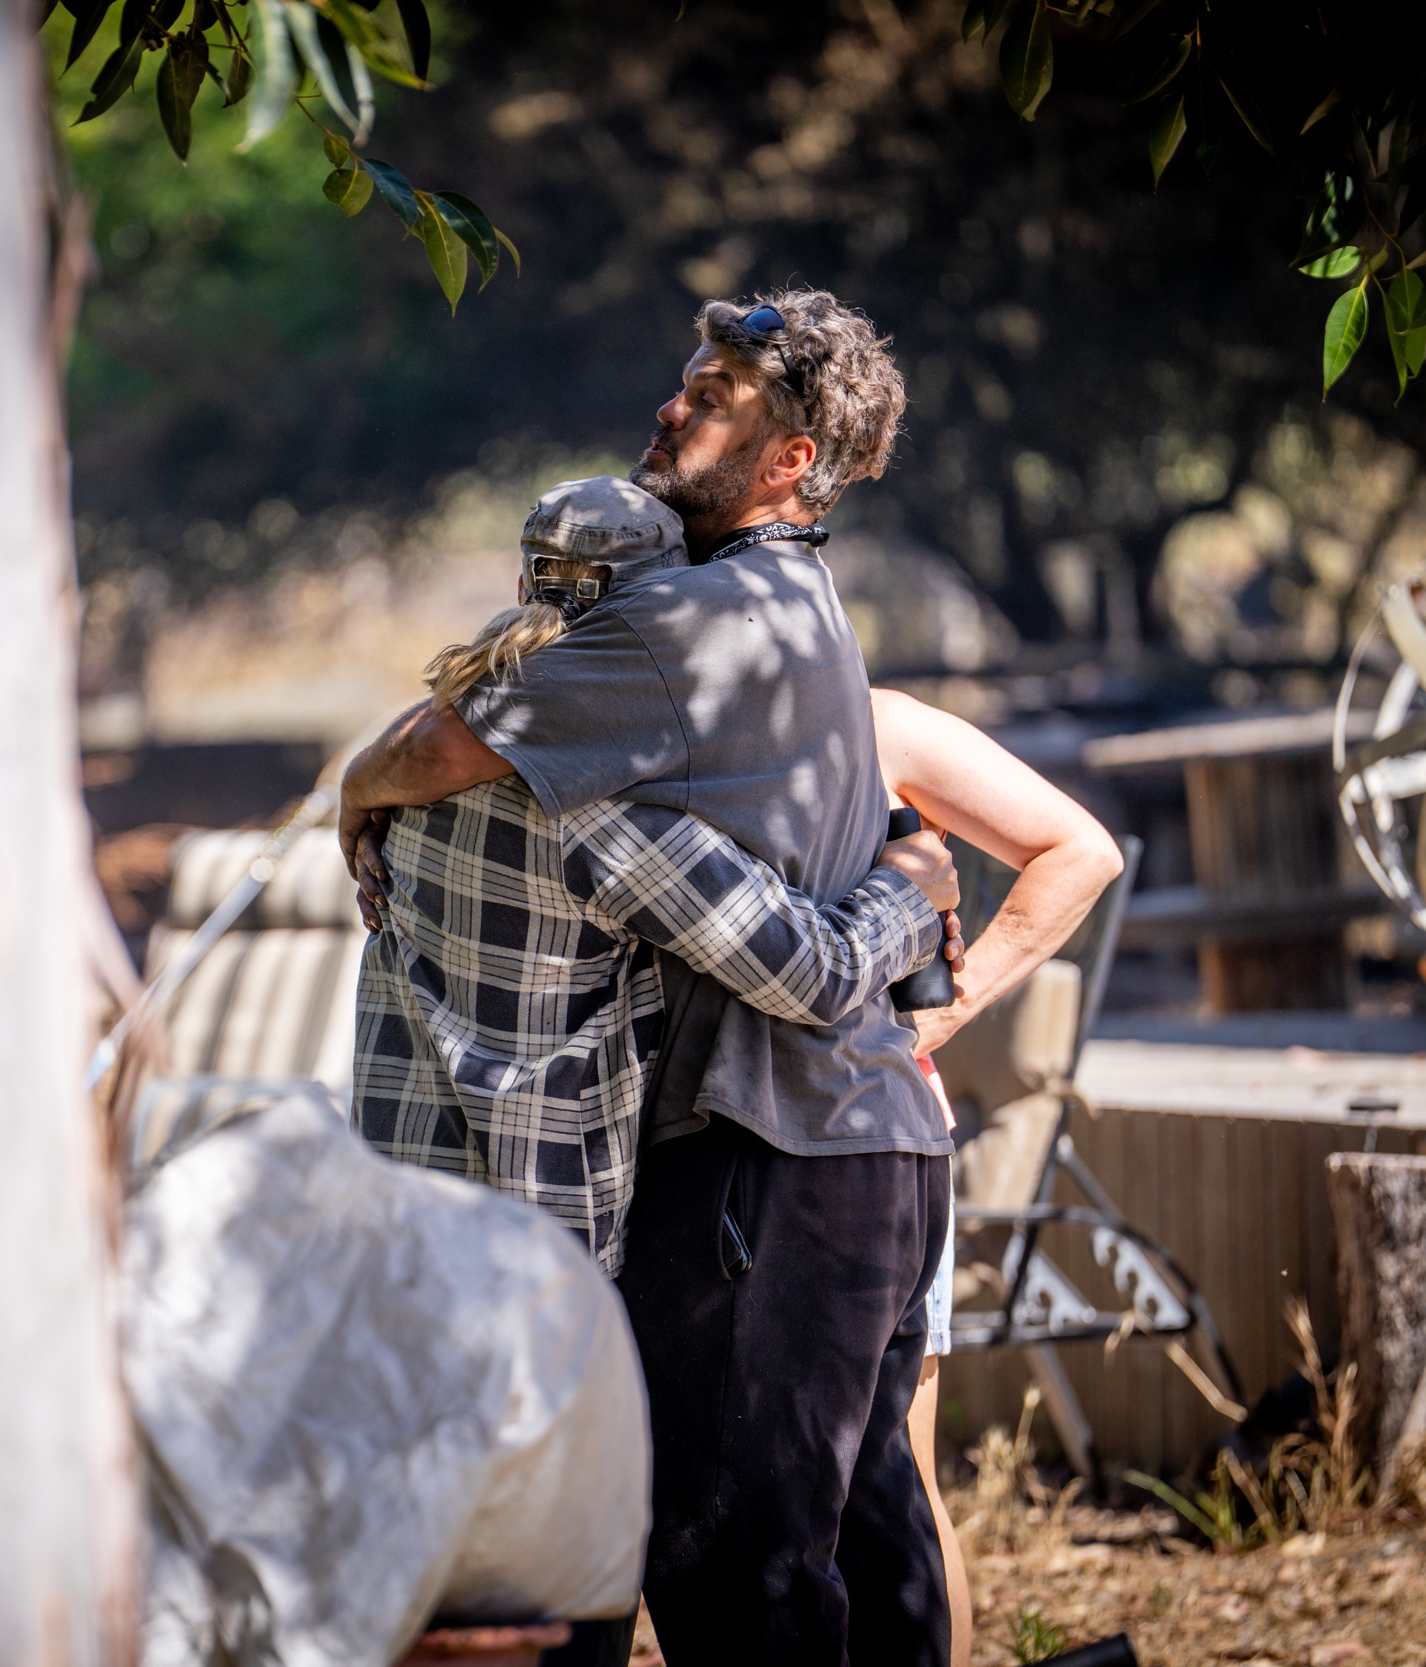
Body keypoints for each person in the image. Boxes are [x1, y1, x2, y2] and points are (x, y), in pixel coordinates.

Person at [343, 288, 950, 1665]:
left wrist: (351, 795)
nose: (673, 405)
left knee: (738, 1576)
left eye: (715, 393)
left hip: (768, 1147)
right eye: (685, 381)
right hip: (881, 1136)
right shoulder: (805, 615)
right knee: (857, 1557)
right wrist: (916, 890)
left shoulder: (677, 629)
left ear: (795, 458)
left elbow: (440, 742)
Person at [355, 476, 959, 1279]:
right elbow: (814, 972)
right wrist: (913, 889)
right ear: (656, 618)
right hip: (528, 1266)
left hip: (389, 1229)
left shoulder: (413, 771)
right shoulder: (599, 813)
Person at [876, 686, 1126, 1667]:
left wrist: (938, 1016)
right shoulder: (652, 705)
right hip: (723, 1151)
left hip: (878, 1145)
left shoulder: (875, 719)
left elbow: (1081, 852)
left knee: (896, 1469)